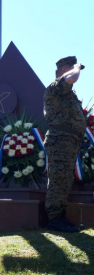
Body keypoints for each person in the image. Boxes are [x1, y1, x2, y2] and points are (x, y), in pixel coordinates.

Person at [44, 56, 86, 233]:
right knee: (58, 179)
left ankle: (60, 217)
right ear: (63, 70)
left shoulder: (67, 92)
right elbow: (72, 77)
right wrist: (75, 68)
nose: (75, 70)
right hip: (59, 139)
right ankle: (54, 218)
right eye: (70, 66)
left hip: (69, 140)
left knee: (65, 179)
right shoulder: (56, 87)